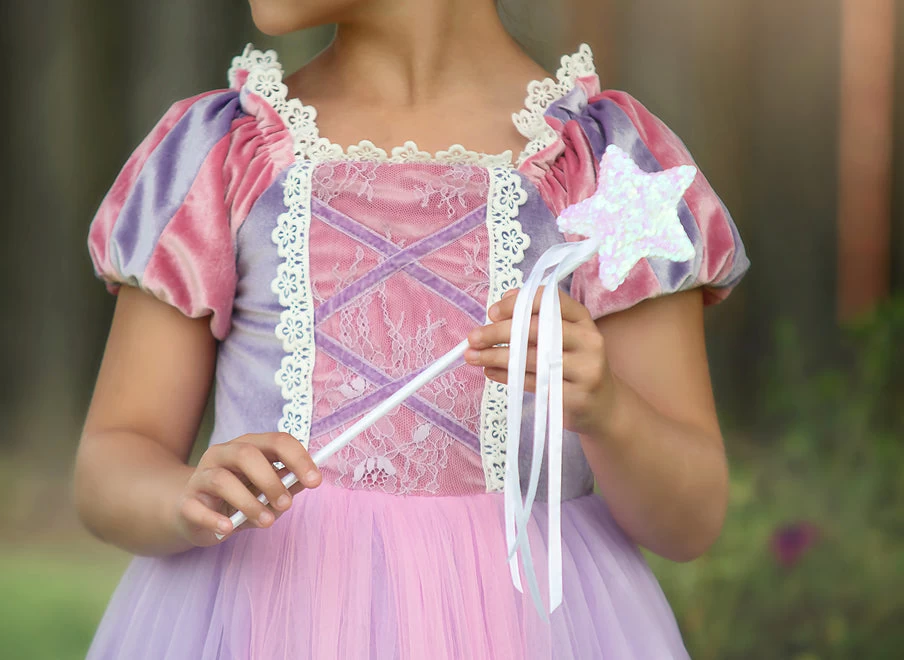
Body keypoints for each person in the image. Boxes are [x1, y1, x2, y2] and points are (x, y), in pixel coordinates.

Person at [74, 0, 750, 657]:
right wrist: (181, 498)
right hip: (266, 617)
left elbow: (689, 521)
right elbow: (112, 461)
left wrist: (608, 411)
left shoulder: (608, 167)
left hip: (529, 625)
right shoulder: (221, 152)